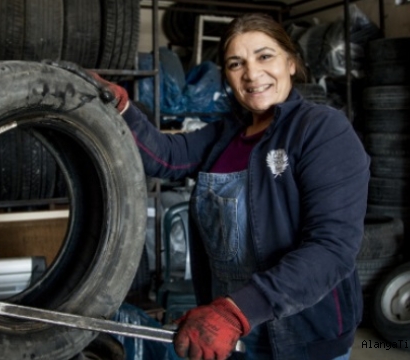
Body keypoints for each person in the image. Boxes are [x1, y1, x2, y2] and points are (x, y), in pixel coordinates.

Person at [91, 12, 370, 360]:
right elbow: (165, 157)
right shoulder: (227, 133)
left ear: (292, 63)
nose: (252, 74)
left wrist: (237, 312)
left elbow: (332, 250)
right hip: (228, 335)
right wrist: (121, 107)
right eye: (236, 63)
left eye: (264, 56)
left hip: (301, 337)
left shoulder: (321, 130)